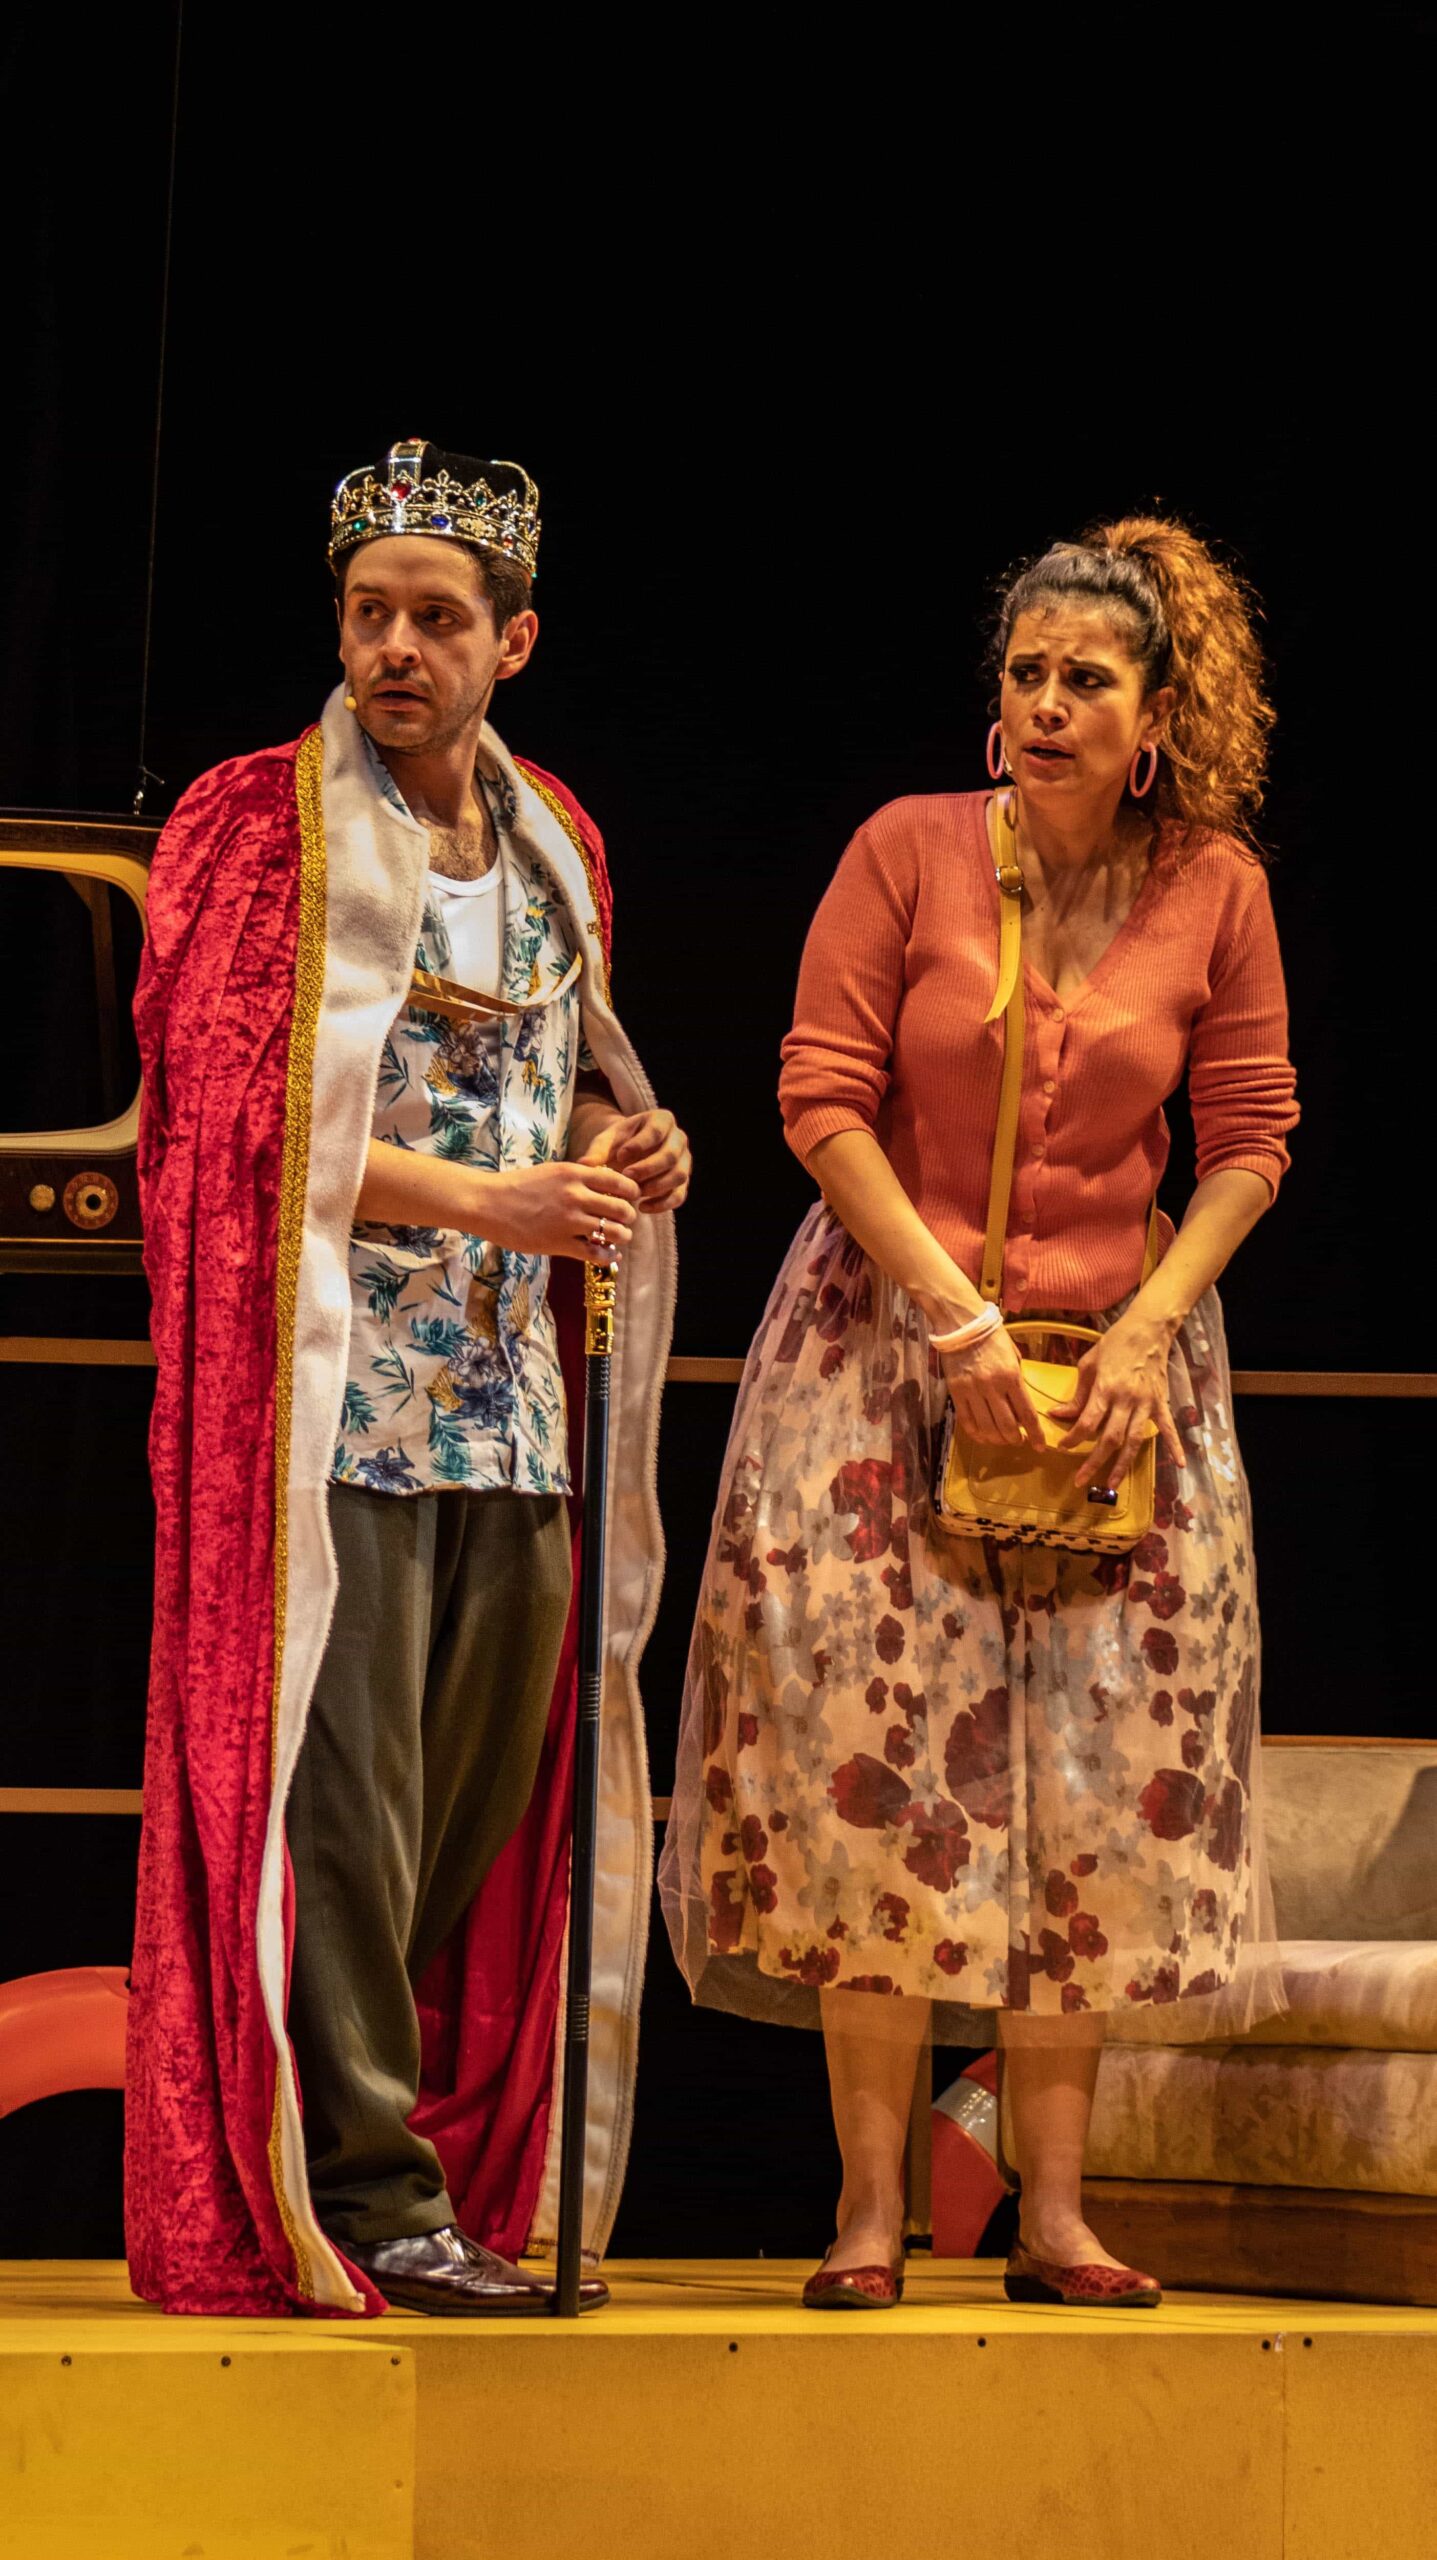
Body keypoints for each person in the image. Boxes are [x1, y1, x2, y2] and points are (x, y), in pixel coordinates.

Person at [661, 516, 1297, 2310]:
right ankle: (867, 2212)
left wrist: (1149, 1333)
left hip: (1111, 1372)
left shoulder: (1213, 887)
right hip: (882, 1357)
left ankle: (1053, 2214)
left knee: (1087, 1784)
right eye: (1025, 674)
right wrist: (946, 1317)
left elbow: (1250, 1134)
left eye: (1086, 679)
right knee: (874, 1774)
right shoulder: (909, 850)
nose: (1046, 704)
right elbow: (818, 1093)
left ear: (1155, 715)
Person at [127, 438, 687, 2318]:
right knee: (349, 1805)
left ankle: (391, 2129)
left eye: (435, 619)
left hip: (509, 1403)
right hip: (341, 1403)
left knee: (473, 1808)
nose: (393, 649)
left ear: (510, 641)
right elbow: (229, 1127)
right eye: (368, 614)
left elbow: (564, 1078)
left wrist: (625, 1141)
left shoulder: (553, 839)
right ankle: (371, 2187)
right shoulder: (254, 825)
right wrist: (491, 1199)